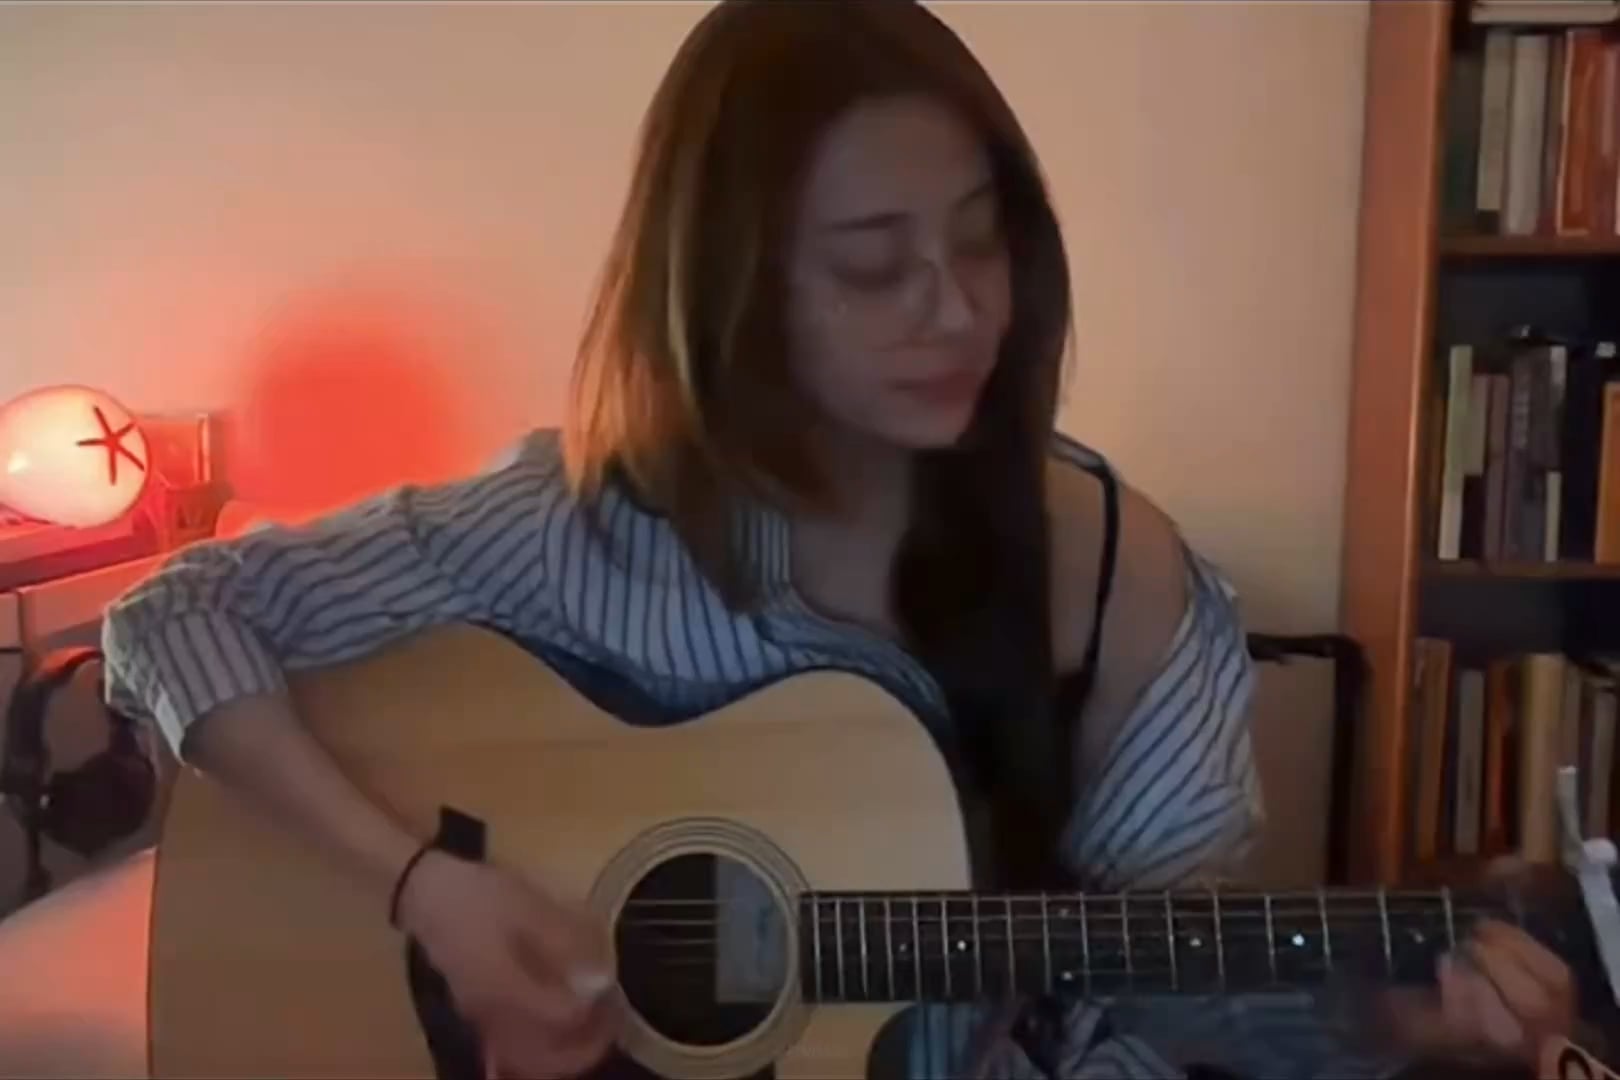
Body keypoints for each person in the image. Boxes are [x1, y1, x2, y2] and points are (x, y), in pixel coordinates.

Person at [98, 2, 1576, 1078]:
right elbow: (173, 619)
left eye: (981, 239)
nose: (958, 307)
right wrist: (426, 888)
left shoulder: (1116, 581)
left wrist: (1390, 1016)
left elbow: (1165, 980)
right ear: (731, 294)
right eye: (874, 267)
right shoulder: (576, 525)